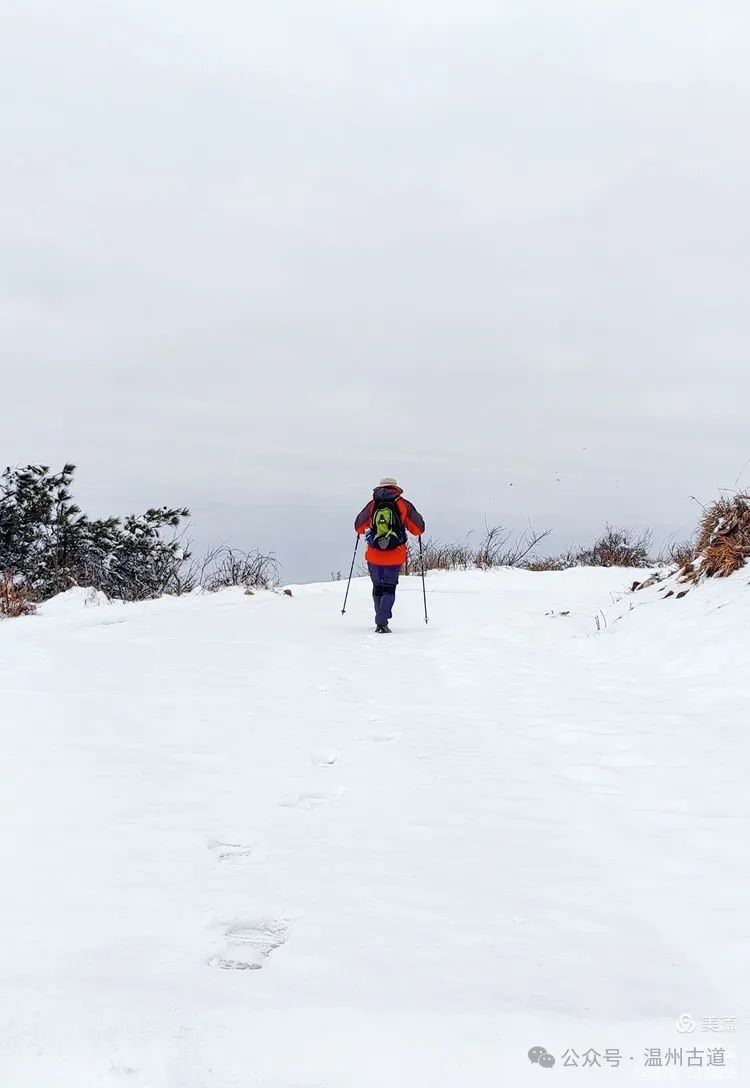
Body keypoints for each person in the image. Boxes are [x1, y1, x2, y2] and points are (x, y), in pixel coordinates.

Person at [354, 478, 425, 633]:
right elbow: (418, 529)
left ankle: (380, 620)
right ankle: (382, 619)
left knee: (377, 587)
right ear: (395, 488)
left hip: (374, 554)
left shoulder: (373, 504)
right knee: (389, 588)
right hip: (395, 554)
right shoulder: (403, 504)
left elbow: (358, 526)